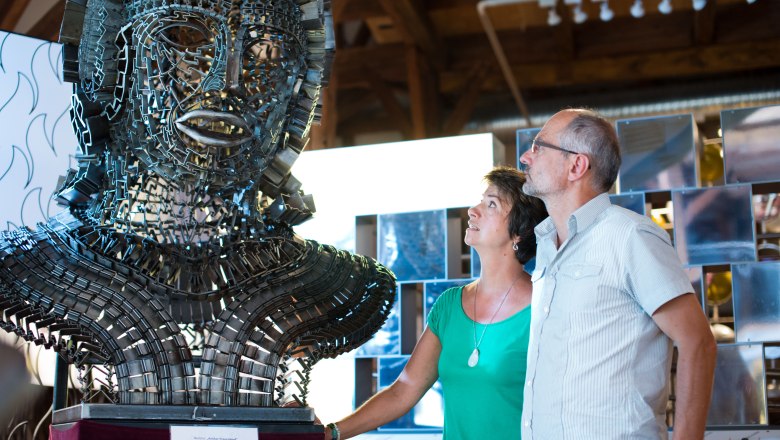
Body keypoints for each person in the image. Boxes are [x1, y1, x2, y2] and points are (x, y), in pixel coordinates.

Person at [0, 0, 396, 407]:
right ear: (111, 66)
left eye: (265, 53)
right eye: (181, 38)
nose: (226, 84)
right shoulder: (25, 268)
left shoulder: (350, 284)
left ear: (299, 95)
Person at [518, 109, 717, 439]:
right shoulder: (547, 246)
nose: (526, 157)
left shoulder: (631, 237)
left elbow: (698, 343)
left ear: (576, 165)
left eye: (539, 147)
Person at [321, 166, 549, 440]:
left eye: (491, 204)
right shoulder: (449, 306)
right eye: (481, 200)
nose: (473, 210)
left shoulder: (543, 307)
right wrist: (330, 434)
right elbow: (404, 390)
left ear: (519, 233)